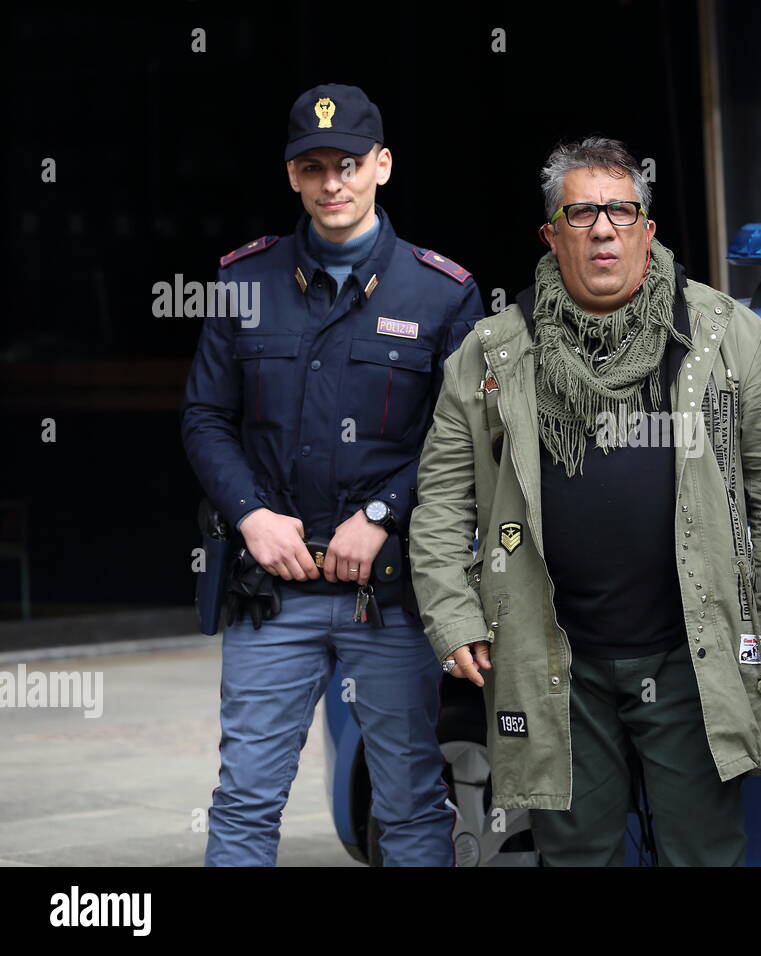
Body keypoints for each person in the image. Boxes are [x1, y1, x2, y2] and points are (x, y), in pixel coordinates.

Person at [409, 136, 761, 866]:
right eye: (581, 212)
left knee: (703, 852)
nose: (602, 229)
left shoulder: (725, 335)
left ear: (648, 230)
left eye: (621, 211)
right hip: (555, 658)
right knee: (576, 854)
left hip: (693, 652)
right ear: (551, 234)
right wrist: (452, 613)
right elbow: (441, 500)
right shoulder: (493, 350)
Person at [181, 83, 484, 866]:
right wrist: (250, 514)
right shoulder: (244, 281)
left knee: (412, 803)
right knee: (245, 800)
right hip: (270, 591)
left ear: (382, 165)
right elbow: (205, 419)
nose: (332, 183)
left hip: (385, 597)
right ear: (292, 177)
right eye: (312, 167)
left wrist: (382, 514)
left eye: (349, 163)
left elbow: (462, 436)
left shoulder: (442, 292)